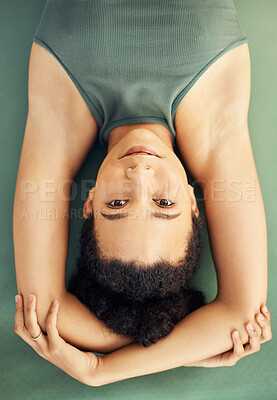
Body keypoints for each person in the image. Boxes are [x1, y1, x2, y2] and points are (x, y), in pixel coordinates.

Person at [13, 0, 271, 385]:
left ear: (89, 202)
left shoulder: (59, 115)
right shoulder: (217, 130)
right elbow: (241, 315)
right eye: (165, 203)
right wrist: (171, 348)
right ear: (193, 204)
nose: (141, 175)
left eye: (117, 203)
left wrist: (103, 369)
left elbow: (44, 310)